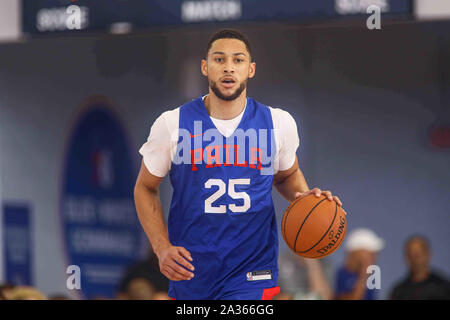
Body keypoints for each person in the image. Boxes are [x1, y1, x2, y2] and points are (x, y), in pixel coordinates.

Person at [134, 29, 343, 300]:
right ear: (205, 67)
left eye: (238, 60)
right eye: (219, 60)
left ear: (251, 69)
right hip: (192, 269)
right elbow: (145, 188)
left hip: (252, 270)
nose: (228, 68)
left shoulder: (278, 123)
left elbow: (287, 175)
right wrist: (161, 248)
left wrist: (306, 200)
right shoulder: (171, 124)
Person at [389, 235, 450, 300]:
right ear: (406, 257)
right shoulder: (399, 292)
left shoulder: (443, 288)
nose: (414, 259)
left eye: (417, 255)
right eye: (410, 255)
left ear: (428, 254)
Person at [335, 228, 384, 300]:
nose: (374, 257)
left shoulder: (371, 275)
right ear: (356, 252)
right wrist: (364, 275)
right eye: (370, 253)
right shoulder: (338, 274)